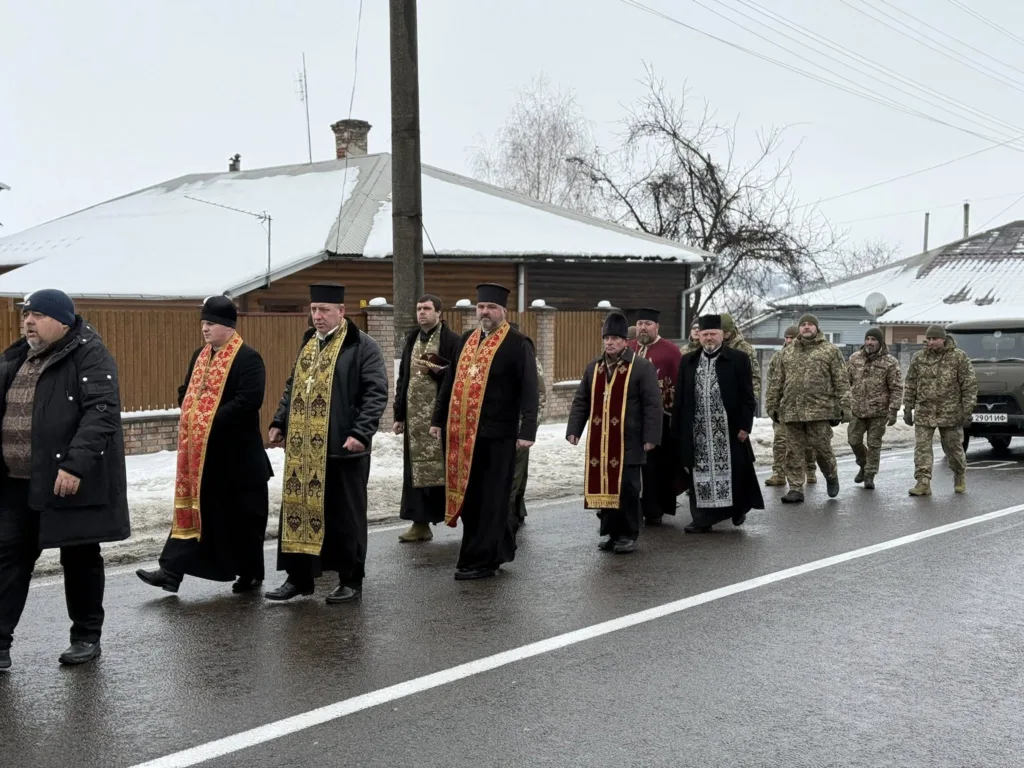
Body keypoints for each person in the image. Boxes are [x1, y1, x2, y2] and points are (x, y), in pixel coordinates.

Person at [0, 289, 129, 670]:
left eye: (37, 315)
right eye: (26, 315)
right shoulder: (18, 357)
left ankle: (86, 637)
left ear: (62, 320)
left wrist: (74, 465)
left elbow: (101, 413)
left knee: (80, 556)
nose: (28, 322)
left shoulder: (90, 354)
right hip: (17, 482)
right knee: (7, 558)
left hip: (68, 480)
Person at [137, 296, 272, 594]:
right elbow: (187, 391)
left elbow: (248, 402)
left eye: (210, 324)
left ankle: (250, 573)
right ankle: (170, 572)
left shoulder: (248, 358)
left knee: (244, 521)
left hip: (239, 459)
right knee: (192, 513)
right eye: (203, 323)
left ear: (227, 326)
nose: (205, 329)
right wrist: (188, 407)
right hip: (203, 459)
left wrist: (206, 419)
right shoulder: (201, 355)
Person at [265, 283, 388, 604]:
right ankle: (299, 577)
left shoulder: (362, 346)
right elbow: (294, 385)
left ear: (341, 312)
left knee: (345, 516)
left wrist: (361, 433)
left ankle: (350, 579)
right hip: (303, 450)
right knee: (299, 512)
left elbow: (375, 394)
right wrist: (280, 421)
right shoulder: (308, 343)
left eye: (324, 310)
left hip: (343, 448)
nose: (317, 316)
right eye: (314, 309)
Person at [429, 283, 539, 580]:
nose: (485, 312)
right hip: (464, 435)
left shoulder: (518, 343)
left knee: (492, 499)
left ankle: (482, 561)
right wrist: (437, 419)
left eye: (491, 307)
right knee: (472, 497)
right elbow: (449, 383)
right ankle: (491, 551)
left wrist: (527, 429)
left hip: (499, 435)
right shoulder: (466, 339)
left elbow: (530, 390)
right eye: (481, 307)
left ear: (503, 311)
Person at [566, 312, 661, 553]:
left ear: (625, 341)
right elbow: (581, 400)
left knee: (627, 489)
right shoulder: (594, 367)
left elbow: (652, 404)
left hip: (629, 439)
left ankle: (628, 534)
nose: (609, 343)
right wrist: (574, 429)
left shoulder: (641, 367)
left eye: (615, 338)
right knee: (604, 488)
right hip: (602, 441)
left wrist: (651, 437)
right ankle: (611, 532)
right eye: (606, 338)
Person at [673, 314, 764, 533]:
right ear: (699, 337)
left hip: (729, 429)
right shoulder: (688, 361)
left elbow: (747, 396)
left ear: (722, 335)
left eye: (713, 333)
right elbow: (681, 398)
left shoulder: (738, 358)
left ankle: (736, 509)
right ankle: (703, 518)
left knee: (734, 471)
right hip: (698, 430)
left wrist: (745, 425)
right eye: (705, 334)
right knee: (699, 473)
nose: (708, 338)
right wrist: (678, 430)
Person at [393, 294, 461, 543]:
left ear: (439, 313)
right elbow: (403, 378)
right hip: (414, 422)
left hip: (439, 421)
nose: (422, 313)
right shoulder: (412, 338)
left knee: (447, 469)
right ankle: (419, 524)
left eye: (427, 309)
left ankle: (459, 517)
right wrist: (399, 414)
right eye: (419, 308)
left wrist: (436, 371)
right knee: (415, 472)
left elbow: (455, 378)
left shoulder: (451, 341)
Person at [765, 313, 851, 504]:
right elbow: (776, 382)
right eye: (803, 325)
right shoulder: (787, 353)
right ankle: (795, 487)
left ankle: (830, 474)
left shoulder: (830, 351)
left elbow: (841, 380)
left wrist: (845, 406)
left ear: (816, 328)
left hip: (820, 410)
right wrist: (772, 405)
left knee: (821, 448)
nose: (806, 327)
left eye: (810, 325)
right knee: (793, 451)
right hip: (791, 410)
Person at [904, 325, 977, 496]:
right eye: (928, 339)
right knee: (922, 448)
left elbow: (969, 385)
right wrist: (908, 407)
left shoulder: (958, 357)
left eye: (934, 339)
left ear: (943, 339)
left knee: (953, 448)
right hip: (924, 410)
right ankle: (923, 482)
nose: (931, 342)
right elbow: (911, 384)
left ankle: (959, 475)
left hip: (950, 412)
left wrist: (967, 410)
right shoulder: (919, 358)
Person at [628, 308, 682, 525]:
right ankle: (630, 508)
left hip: (660, 419)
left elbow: (679, 385)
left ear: (657, 327)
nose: (643, 327)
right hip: (630, 418)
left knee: (653, 468)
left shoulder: (670, 351)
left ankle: (653, 509)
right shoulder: (629, 348)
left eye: (648, 323)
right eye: (640, 323)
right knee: (631, 467)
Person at [847, 327, 903, 490]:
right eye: (868, 339)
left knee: (874, 444)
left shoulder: (890, 362)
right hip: (857, 410)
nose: (870, 343)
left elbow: (896, 387)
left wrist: (893, 410)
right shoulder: (855, 358)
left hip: (879, 411)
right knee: (853, 440)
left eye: (873, 340)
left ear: (880, 342)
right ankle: (863, 465)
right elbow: (845, 381)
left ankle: (870, 475)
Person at [764, 325, 820, 487]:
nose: (788, 341)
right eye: (786, 337)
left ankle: (810, 469)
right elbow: (772, 382)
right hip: (782, 406)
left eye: (792, 337)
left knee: (808, 443)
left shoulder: (809, 355)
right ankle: (779, 473)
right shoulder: (778, 357)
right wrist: (771, 404)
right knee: (780, 440)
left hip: (804, 407)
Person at [508, 324, 547, 531]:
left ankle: (511, 512)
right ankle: (516, 509)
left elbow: (539, 394)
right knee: (517, 470)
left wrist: (529, 427)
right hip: (506, 425)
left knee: (516, 471)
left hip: (522, 425)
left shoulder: (529, 359)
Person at [721, 313, 762, 409]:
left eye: (726, 332)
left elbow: (754, 376)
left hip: (739, 403)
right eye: (721, 332)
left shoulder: (745, 349)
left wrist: (752, 401)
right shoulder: (712, 347)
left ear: (732, 330)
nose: (723, 335)